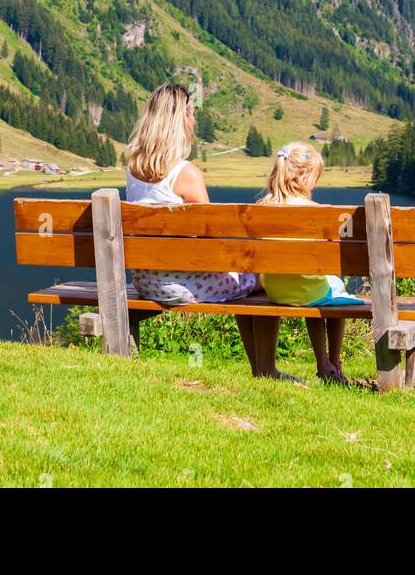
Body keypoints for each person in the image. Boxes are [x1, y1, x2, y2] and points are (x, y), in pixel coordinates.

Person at [125, 83, 291, 378]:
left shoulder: (132, 169)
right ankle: (265, 369)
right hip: (180, 286)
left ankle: (263, 369)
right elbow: (211, 239)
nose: (194, 120)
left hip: (145, 280)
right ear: (180, 120)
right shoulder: (185, 173)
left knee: (247, 275)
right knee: (263, 274)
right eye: (191, 113)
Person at [258, 142, 364, 383]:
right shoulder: (317, 211)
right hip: (308, 291)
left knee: (315, 283)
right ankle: (332, 363)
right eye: (315, 177)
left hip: (275, 290)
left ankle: (324, 363)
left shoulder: (263, 206)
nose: (315, 184)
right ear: (304, 176)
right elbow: (330, 248)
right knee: (337, 292)